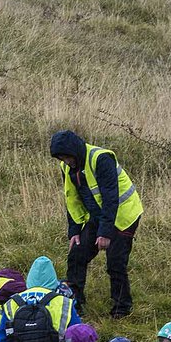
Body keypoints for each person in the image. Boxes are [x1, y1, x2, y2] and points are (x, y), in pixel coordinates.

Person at [49, 130, 144, 319]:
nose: (66, 161)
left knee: (115, 262)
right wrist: (74, 231)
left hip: (124, 215)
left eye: (67, 157)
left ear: (75, 151)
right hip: (99, 215)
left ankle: (121, 309)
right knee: (77, 254)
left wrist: (105, 232)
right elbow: (71, 199)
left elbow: (111, 197)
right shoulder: (66, 167)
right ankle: (75, 303)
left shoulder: (101, 159)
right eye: (61, 158)